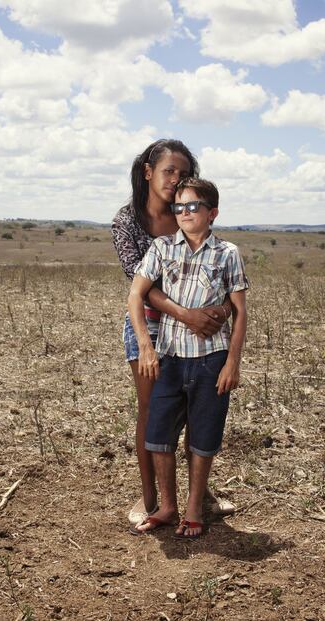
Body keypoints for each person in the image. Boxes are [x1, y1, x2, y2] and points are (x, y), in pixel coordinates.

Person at [111, 140, 233, 526]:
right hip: (149, 325)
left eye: (182, 173)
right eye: (168, 171)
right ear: (148, 171)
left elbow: (214, 273)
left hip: (198, 332)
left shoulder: (187, 212)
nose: (175, 180)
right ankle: (149, 499)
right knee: (153, 412)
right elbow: (141, 287)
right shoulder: (126, 221)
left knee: (196, 411)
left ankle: (200, 496)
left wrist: (217, 312)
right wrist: (187, 316)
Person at [128, 177, 248, 537]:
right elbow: (137, 295)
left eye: (192, 206)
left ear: (212, 212)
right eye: (178, 207)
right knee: (158, 435)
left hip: (212, 360)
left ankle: (195, 508)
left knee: (203, 436)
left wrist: (232, 363)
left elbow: (240, 312)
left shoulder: (227, 253)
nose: (183, 213)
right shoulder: (162, 248)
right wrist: (146, 346)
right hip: (169, 358)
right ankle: (168, 506)